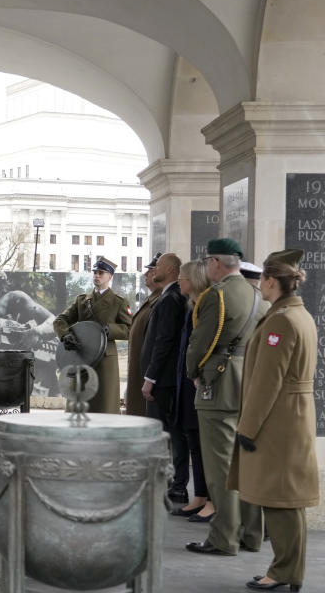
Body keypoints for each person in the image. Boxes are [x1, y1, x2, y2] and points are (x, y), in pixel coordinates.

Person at [230, 249, 319, 591]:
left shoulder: (281, 320)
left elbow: (268, 381)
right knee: (288, 498)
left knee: (278, 499)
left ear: (271, 281)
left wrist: (247, 428)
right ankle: (287, 571)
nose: (261, 286)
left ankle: (283, 572)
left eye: (264, 280)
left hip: (277, 420)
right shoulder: (299, 314)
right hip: (290, 416)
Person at [185, 238, 264, 557]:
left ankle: (224, 538)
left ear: (217, 263)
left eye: (208, 262)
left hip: (220, 383)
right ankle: (251, 534)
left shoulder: (216, 295)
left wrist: (194, 372)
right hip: (249, 383)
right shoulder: (257, 295)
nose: (207, 267)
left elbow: (200, 343)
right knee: (246, 465)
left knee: (220, 468)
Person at [53, 256, 132, 414]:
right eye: (95, 272)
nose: (96, 275)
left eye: (101, 273)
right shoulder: (82, 300)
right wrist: (66, 335)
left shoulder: (119, 302)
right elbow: (60, 320)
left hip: (105, 360)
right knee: (79, 404)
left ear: (110, 276)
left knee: (104, 405)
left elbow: (129, 329)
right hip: (82, 356)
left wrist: (109, 329)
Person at [139, 253, 187, 502]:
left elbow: (164, 341)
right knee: (168, 432)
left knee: (165, 433)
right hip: (164, 379)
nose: (153, 269)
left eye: (157, 266)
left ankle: (174, 483)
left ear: (168, 269)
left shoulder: (170, 299)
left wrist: (151, 378)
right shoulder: (168, 296)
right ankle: (171, 481)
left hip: (163, 381)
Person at [173, 260, 213, 520]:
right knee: (192, 441)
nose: (179, 281)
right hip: (187, 383)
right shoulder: (192, 307)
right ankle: (199, 494)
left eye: (182, 277)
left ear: (193, 280)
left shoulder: (204, 306)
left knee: (201, 442)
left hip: (197, 383)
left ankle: (210, 498)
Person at [126, 253, 163, 415]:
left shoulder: (161, 301)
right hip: (140, 375)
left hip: (149, 378)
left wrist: (150, 377)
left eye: (151, 270)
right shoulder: (152, 300)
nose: (146, 274)